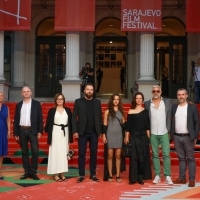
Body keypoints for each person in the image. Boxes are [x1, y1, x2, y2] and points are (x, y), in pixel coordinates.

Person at [72, 83, 102, 183]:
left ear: (93, 91)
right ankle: (81, 175)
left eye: (91, 90)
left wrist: (100, 130)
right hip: (82, 133)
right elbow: (74, 117)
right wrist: (75, 131)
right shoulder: (78, 102)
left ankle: (93, 174)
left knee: (94, 154)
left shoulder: (97, 102)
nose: (89, 91)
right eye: (87, 89)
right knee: (82, 154)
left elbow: (100, 117)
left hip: (94, 133)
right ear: (84, 91)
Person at [144, 85, 173, 185]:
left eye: (158, 91)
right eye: (154, 91)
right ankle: (157, 175)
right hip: (153, 133)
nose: (156, 92)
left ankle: (167, 175)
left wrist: (170, 131)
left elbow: (171, 115)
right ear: (152, 92)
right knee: (155, 155)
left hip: (164, 131)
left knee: (166, 154)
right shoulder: (147, 104)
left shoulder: (168, 102)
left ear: (161, 91)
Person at [171, 88, 199, 187]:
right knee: (181, 158)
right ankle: (182, 178)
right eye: (179, 95)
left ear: (186, 95)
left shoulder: (192, 107)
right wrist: (172, 135)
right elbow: (172, 122)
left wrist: (195, 136)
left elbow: (196, 122)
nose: (181, 96)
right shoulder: (174, 107)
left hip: (188, 137)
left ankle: (192, 179)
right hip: (177, 136)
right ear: (177, 96)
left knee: (190, 158)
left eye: (183, 94)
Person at [14, 86, 43, 180]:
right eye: (24, 92)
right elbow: (16, 119)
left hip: (32, 130)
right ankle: (27, 171)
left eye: (28, 91)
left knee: (35, 151)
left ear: (31, 93)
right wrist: (16, 133)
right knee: (24, 152)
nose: (26, 93)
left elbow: (40, 119)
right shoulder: (18, 105)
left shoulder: (36, 104)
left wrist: (39, 131)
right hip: (22, 130)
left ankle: (33, 171)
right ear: (21, 94)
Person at [124, 92, 152, 185]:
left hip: (143, 137)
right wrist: (126, 136)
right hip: (134, 137)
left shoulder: (145, 111)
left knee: (142, 157)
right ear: (134, 100)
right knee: (133, 157)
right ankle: (133, 178)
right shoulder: (131, 111)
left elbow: (147, 126)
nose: (139, 100)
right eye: (137, 98)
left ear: (142, 100)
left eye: (140, 98)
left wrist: (149, 138)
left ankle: (140, 177)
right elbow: (128, 126)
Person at [44, 93, 73, 182]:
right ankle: (55, 174)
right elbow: (48, 123)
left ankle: (62, 173)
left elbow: (71, 123)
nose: (60, 100)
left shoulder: (68, 110)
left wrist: (71, 137)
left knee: (63, 153)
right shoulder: (52, 110)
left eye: (61, 99)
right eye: (58, 99)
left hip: (65, 132)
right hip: (55, 132)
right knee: (55, 152)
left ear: (64, 100)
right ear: (55, 100)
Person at [102, 94, 126, 183]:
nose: (116, 101)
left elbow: (124, 125)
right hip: (109, 134)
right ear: (112, 100)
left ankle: (118, 175)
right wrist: (104, 135)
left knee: (118, 155)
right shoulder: (107, 111)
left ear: (119, 101)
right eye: (114, 99)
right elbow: (104, 124)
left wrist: (126, 136)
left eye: (117, 99)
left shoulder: (122, 111)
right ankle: (110, 174)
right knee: (110, 155)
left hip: (119, 134)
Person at [0, 92, 10, 180]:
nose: (0, 97)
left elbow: (8, 120)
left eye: (2, 95)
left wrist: (9, 131)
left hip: (3, 130)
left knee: (1, 153)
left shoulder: (6, 107)